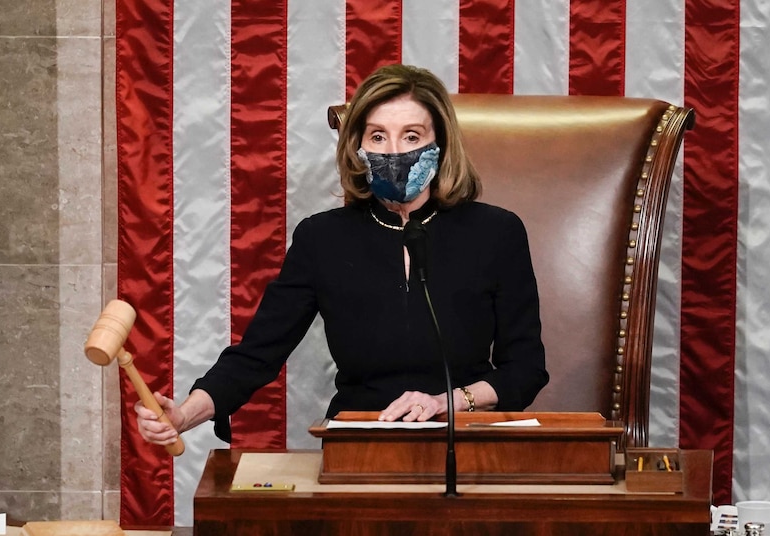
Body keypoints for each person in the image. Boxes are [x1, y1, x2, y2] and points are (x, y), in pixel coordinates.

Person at [135, 64, 549, 447]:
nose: (393, 151)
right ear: (358, 147)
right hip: (360, 441)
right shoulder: (322, 238)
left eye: (411, 136)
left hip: (467, 437)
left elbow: (525, 368)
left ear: (439, 144)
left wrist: (446, 402)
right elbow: (257, 354)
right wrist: (186, 413)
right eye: (377, 136)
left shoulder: (497, 232)